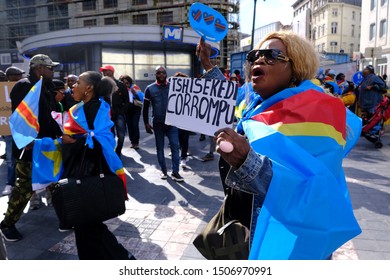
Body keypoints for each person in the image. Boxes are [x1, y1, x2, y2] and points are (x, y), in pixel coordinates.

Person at [196, 31, 361, 259]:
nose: (259, 60)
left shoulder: (318, 110)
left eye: (272, 55)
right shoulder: (257, 103)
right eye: (255, 56)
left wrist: (247, 162)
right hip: (249, 228)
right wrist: (207, 65)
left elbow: (307, 189)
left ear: (296, 66)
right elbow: (230, 99)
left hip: (286, 244)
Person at [61, 71, 135, 260]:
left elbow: (103, 140)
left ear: (89, 88)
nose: (73, 86)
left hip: (89, 173)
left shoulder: (95, 108)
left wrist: (73, 141)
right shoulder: (79, 108)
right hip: (83, 171)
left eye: (78, 82)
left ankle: (122, 259)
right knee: (87, 226)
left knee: (88, 225)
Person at [0, 54, 63, 241]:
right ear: (39, 69)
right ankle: (7, 224)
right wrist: (27, 141)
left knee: (55, 181)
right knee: (25, 186)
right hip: (31, 147)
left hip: (49, 144)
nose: (53, 71)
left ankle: (67, 218)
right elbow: (20, 117)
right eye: (50, 67)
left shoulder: (47, 86)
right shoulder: (24, 86)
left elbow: (50, 114)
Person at [142, 66, 184, 182]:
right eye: (158, 73)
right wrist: (146, 123)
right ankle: (164, 171)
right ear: (155, 74)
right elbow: (145, 108)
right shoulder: (150, 89)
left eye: (163, 73)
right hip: (158, 123)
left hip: (172, 122)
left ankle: (175, 172)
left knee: (175, 146)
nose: (161, 75)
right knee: (160, 148)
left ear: (166, 74)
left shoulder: (173, 86)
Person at [1, 66, 25, 196]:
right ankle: (10, 184)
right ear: (11, 76)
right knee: (11, 159)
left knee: (26, 159)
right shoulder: (3, 89)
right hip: (9, 131)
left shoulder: (25, 87)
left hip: (24, 129)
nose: (21, 77)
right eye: (19, 74)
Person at [99, 65, 129, 159]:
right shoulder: (101, 85)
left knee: (121, 135)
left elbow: (127, 100)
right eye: (103, 71)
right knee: (109, 135)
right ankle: (111, 153)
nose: (103, 73)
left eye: (105, 71)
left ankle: (118, 151)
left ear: (111, 72)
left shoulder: (120, 84)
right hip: (107, 115)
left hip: (119, 114)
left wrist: (122, 111)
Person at [119, 74, 143, 150]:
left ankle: (136, 142)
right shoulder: (121, 89)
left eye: (127, 83)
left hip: (135, 109)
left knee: (134, 125)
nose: (126, 85)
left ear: (130, 82)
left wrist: (135, 93)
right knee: (129, 126)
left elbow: (142, 97)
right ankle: (132, 142)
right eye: (124, 83)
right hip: (127, 109)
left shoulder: (134, 87)